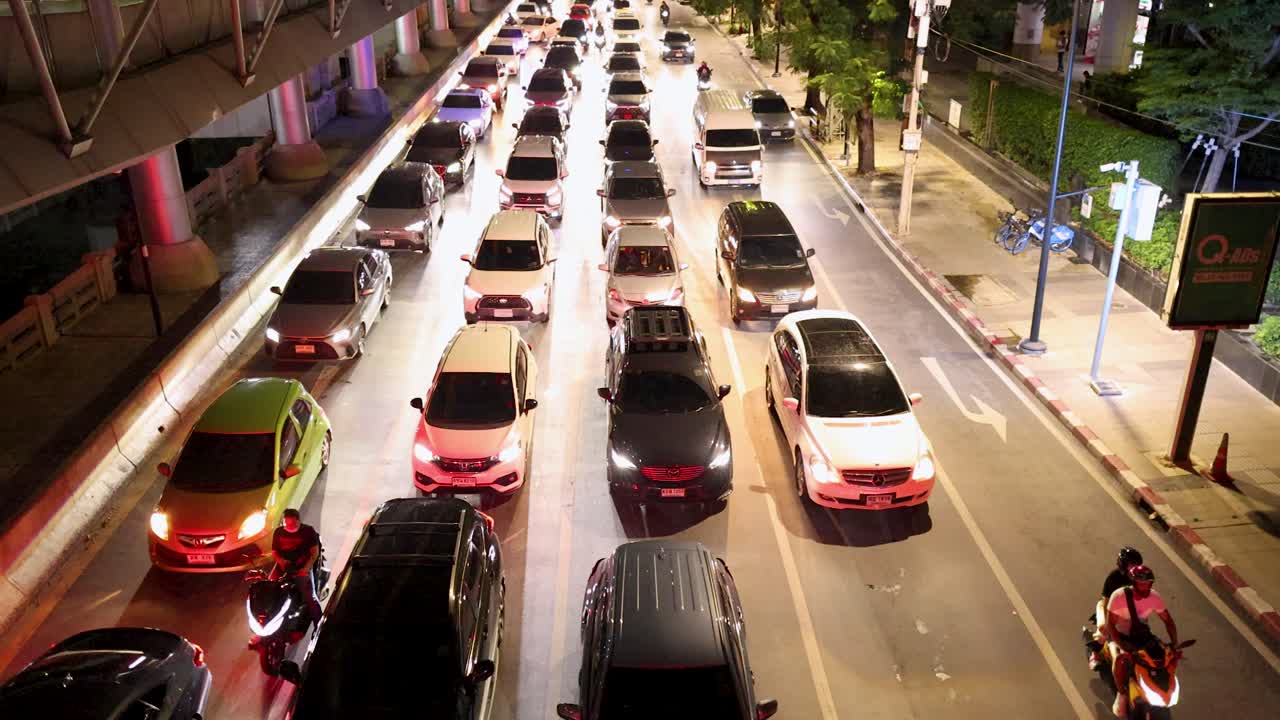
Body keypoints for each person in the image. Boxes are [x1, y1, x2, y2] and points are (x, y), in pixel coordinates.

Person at [1104, 565, 1179, 719]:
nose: (1145, 587)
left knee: (1166, 659)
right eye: (1141, 583)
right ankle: (1122, 694)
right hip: (1120, 635)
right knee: (1120, 661)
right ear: (1133, 583)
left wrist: (1174, 644)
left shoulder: (1154, 597)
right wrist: (1121, 646)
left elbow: (1168, 621)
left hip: (1141, 636)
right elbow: (1110, 624)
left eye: (1148, 583)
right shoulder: (1118, 596)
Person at [1088, 546, 1143, 670]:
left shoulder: (1139, 578)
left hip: (1127, 610)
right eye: (1131, 565)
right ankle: (1095, 653)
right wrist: (1110, 621)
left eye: (1136, 565)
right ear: (1123, 565)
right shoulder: (1114, 577)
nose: (1133, 569)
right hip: (1107, 607)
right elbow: (1106, 602)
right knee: (1104, 629)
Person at [270, 509, 323, 624]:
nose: (289, 526)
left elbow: (314, 553)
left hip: (302, 566)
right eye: (286, 523)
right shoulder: (278, 532)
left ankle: (319, 624)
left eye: (292, 523)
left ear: (298, 521)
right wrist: (281, 561)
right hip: (283, 566)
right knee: (269, 591)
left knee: (310, 598)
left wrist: (305, 569)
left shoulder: (308, 531)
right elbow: (274, 552)